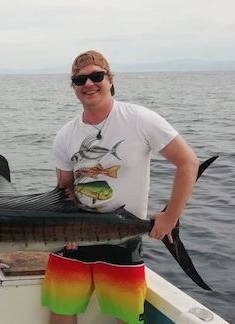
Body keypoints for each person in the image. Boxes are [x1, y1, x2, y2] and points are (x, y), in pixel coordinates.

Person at [41, 50, 199, 324]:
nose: (89, 84)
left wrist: (170, 216)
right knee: (61, 311)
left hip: (123, 239)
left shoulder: (140, 119)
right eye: (80, 80)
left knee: (126, 317)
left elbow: (188, 162)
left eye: (96, 76)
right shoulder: (65, 134)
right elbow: (64, 189)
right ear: (73, 87)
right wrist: (59, 228)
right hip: (74, 239)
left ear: (110, 79)